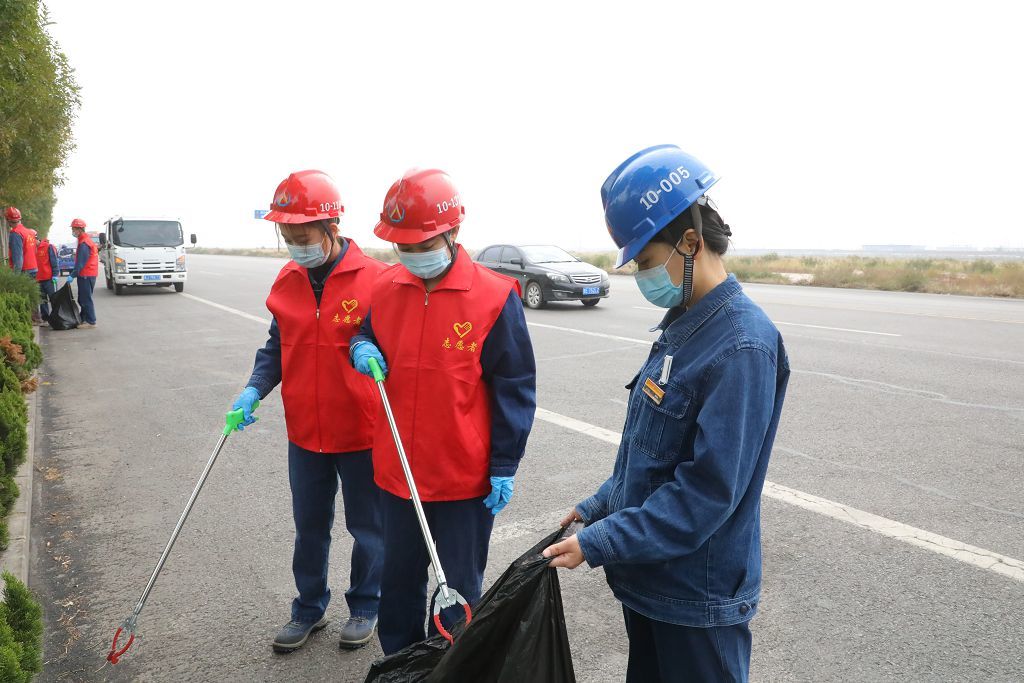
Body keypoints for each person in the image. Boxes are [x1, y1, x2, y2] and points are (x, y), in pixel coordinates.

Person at [542, 145, 790, 683]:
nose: (642, 278)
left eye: (649, 263)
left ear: (692, 242)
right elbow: (651, 454)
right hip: (653, 588)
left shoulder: (742, 347)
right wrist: (598, 505)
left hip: (695, 602)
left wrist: (600, 543)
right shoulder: (684, 324)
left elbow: (704, 494)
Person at [350, 168, 537, 655]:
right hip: (398, 475)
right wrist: (361, 345)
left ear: (452, 232)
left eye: (422, 244)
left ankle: (450, 665)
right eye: (403, 247)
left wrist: (503, 464)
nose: (413, 256)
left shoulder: (494, 298)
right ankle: (400, 662)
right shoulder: (387, 288)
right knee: (398, 585)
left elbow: (514, 386)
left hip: (461, 480)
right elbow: (364, 333)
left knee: (457, 593)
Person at [230, 170, 388, 653]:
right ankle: (309, 607)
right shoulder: (288, 279)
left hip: (361, 432)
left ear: (332, 226)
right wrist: (254, 389)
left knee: (369, 529)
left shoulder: (378, 280)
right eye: (288, 237)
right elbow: (277, 346)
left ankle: (366, 603)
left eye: (304, 237)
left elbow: (396, 348)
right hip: (305, 432)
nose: (296, 246)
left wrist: (374, 353)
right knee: (310, 527)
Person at [68, 218, 99, 328]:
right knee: (83, 298)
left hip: (86, 274)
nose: (73, 231)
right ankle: (83, 318)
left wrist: (72, 275)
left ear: (79, 229)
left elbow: (81, 262)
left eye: (73, 229)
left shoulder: (84, 243)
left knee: (85, 299)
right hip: (89, 274)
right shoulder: (85, 240)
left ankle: (91, 321)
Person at [6, 207, 39, 279]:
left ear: (8, 220)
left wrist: (16, 278)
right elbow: (35, 251)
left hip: (24, 272)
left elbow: (18, 258)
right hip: (34, 269)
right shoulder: (30, 232)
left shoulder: (15, 234)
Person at [35, 231, 59, 321]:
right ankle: (45, 319)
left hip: (49, 279)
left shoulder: (48, 247)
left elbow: (54, 261)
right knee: (42, 300)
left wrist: (55, 274)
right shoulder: (31, 249)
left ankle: (56, 317)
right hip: (38, 279)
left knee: (53, 298)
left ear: (36, 238)